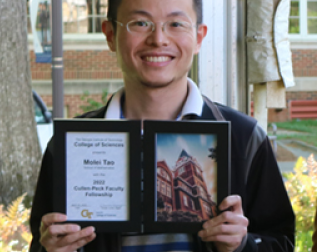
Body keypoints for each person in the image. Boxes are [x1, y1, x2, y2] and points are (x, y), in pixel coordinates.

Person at [29, 0, 295, 251]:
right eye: (140, 23)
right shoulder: (70, 145)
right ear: (110, 34)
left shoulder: (244, 139)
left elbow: (281, 242)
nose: (158, 39)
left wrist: (242, 244)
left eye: (176, 24)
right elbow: (41, 242)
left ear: (199, 37)